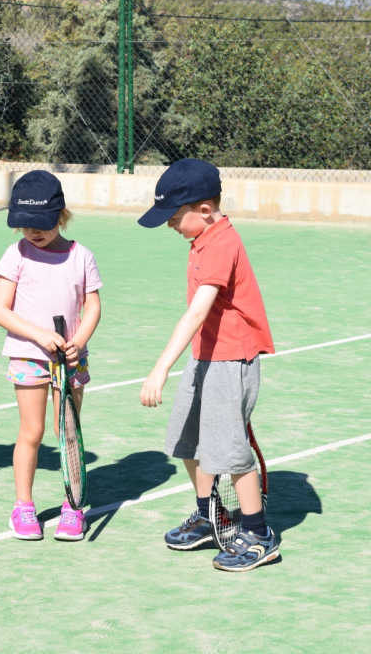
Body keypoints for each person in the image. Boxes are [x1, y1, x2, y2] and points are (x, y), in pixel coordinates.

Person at [137, 158, 279, 572]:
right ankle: (210, 515)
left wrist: (161, 367)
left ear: (203, 210)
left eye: (174, 217)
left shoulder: (222, 243)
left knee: (230, 453)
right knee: (188, 441)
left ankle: (257, 534)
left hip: (231, 361)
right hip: (205, 357)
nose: (169, 225)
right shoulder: (201, 240)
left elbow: (198, 312)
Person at [0, 170, 102, 542]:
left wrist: (77, 341)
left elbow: (92, 307)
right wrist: (39, 335)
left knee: (68, 432)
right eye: (25, 225)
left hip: (71, 360)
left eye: (41, 224)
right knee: (32, 431)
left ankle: (73, 506)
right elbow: (0, 310)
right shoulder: (15, 255)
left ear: (62, 215)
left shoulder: (81, 256)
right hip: (28, 356)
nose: (33, 232)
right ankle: (23, 506)